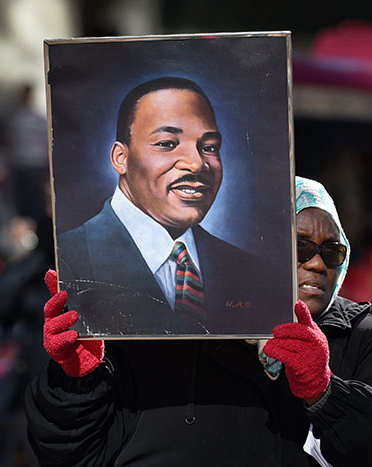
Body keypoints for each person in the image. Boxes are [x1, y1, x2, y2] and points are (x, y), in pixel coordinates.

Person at [24, 177, 372, 467]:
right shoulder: (151, 320)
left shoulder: (365, 341)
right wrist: (77, 378)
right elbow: (69, 453)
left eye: (332, 251)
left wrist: (327, 394)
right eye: (300, 246)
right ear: (259, 245)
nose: (317, 263)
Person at [57, 76, 280, 337]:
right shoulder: (65, 261)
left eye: (209, 147)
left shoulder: (253, 274)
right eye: (167, 144)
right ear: (121, 158)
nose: (196, 164)